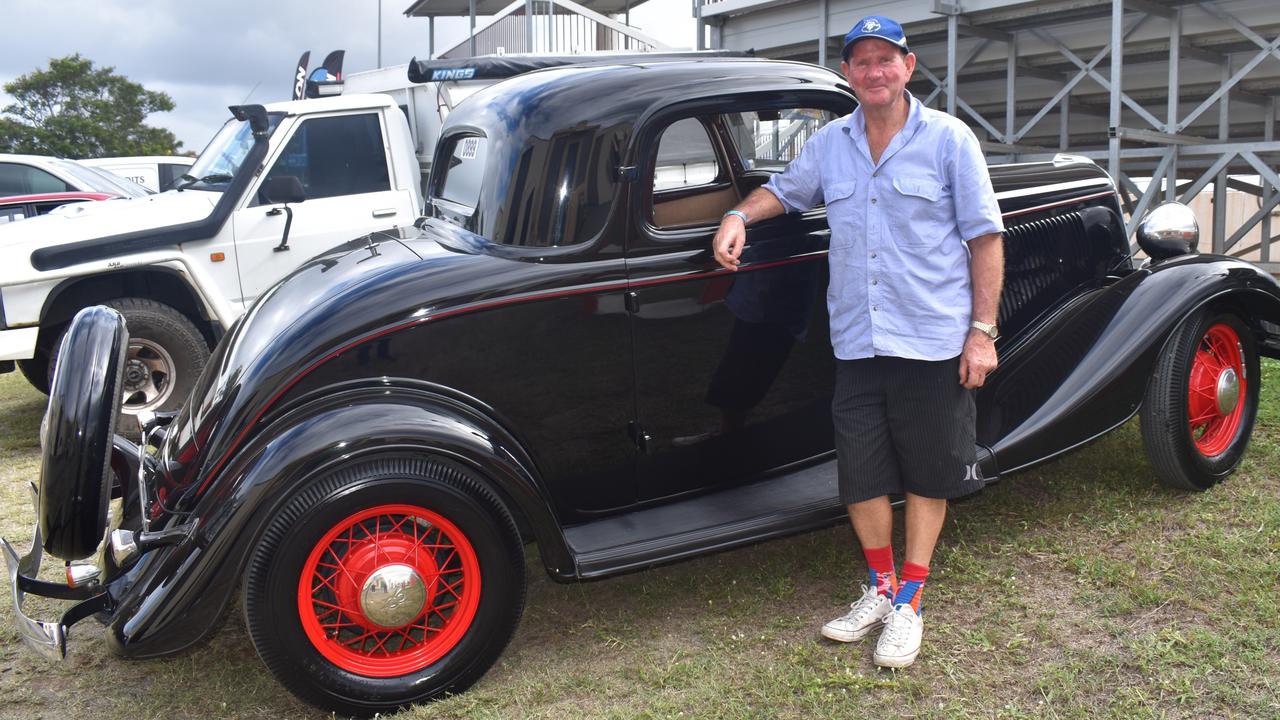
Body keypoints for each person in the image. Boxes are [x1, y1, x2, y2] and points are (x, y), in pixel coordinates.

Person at [712, 15, 1004, 669]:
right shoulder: (830, 144)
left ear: (909, 65)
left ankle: (912, 602)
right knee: (861, 474)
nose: (874, 71)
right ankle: (878, 587)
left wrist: (981, 335)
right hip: (858, 341)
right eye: (861, 61)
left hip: (931, 339)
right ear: (848, 73)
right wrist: (738, 215)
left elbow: (986, 239)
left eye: (885, 59)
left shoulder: (950, 141)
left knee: (929, 473)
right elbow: (785, 191)